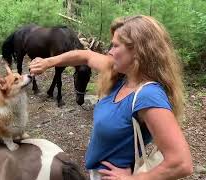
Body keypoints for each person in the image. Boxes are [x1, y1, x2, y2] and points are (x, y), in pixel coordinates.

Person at [29, 15, 193, 179]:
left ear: (137, 51)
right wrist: (48, 62)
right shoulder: (122, 75)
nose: (110, 51)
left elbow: (181, 163)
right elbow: (85, 56)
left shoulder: (148, 96)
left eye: (115, 46)